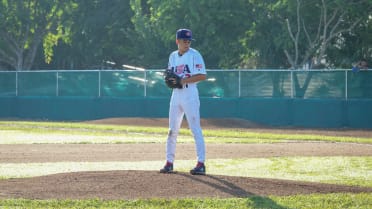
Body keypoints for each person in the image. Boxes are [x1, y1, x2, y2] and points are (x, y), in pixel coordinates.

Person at [160, 28, 207, 175]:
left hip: (190, 93)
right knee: (172, 130)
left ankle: (201, 163)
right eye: (184, 40)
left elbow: (202, 75)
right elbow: (170, 73)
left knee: (195, 129)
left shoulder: (195, 55)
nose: (187, 43)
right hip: (176, 94)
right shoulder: (173, 56)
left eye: (189, 41)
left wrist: (183, 80)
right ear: (177, 41)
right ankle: (169, 162)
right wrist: (170, 80)